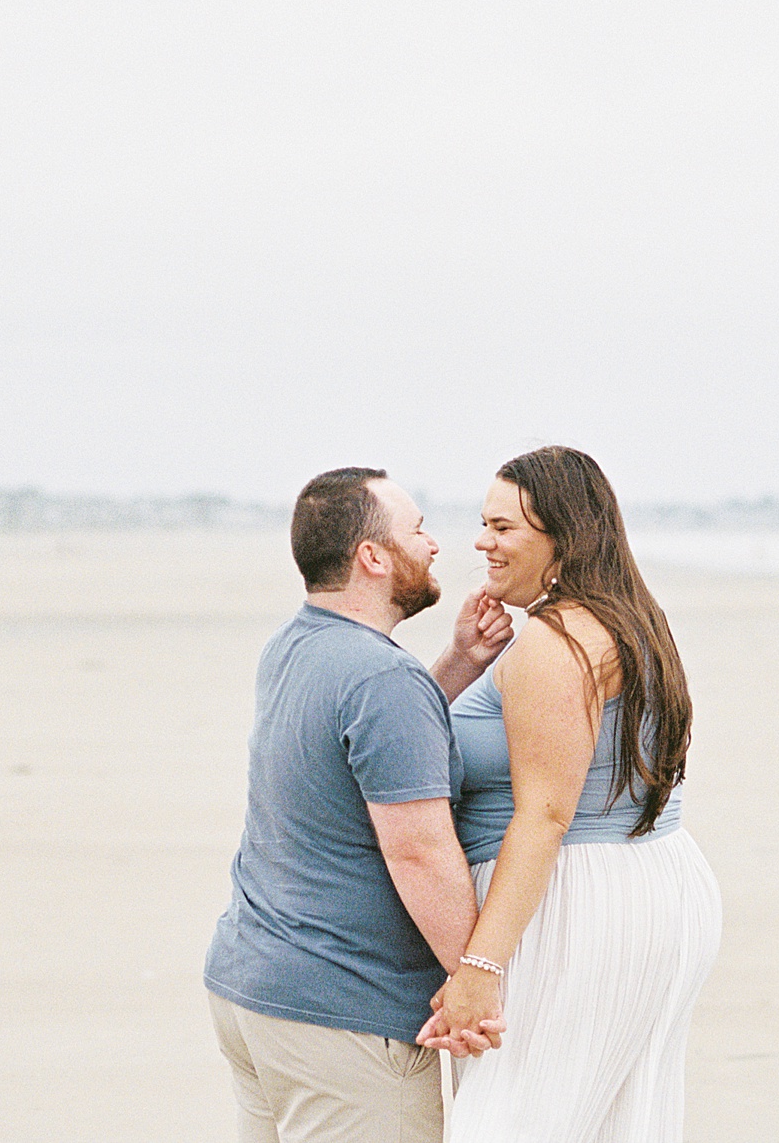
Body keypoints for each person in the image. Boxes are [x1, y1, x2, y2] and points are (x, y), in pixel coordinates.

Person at [418, 446, 722, 1143]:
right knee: (618, 1123)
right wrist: (466, 660)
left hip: (577, 903)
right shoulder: (632, 620)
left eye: (503, 528)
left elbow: (546, 815)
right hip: (653, 878)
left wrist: (479, 967)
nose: (480, 541)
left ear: (563, 538)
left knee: (505, 1124)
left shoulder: (557, 644)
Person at [204, 467, 511, 1143]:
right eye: (418, 529)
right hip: (341, 1015)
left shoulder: (296, 645)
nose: (434, 545)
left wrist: (457, 663)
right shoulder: (380, 678)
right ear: (372, 556)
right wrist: (473, 982)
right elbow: (419, 849)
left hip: (253, 992)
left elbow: (367, 748)